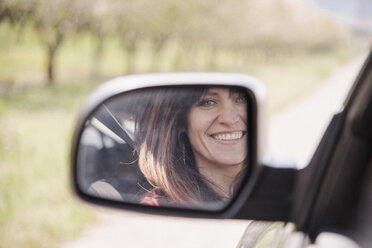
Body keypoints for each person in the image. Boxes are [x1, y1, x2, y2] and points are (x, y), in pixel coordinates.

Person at [135, 86, 249, 208]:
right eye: (208, 102)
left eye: (241, 99)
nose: (230, 119)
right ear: (181, 121)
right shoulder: (159, 207)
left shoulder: (270, 186)